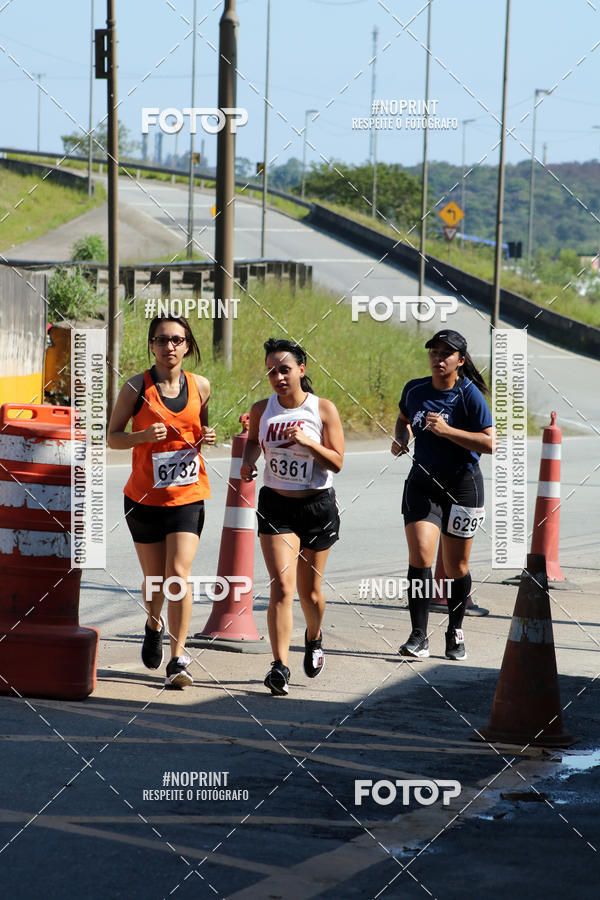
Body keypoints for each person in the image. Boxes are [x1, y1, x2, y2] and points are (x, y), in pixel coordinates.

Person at [107, 314, 215, 688]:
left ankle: (179, 657)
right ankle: (153, 624)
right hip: (143, 498)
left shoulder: (201, 386)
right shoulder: (135, 388)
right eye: (162, 339)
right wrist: (141, 437)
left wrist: (207, 438)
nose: (169, 346)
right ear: (151, 345)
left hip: (188, 496)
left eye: (177, 339)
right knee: (155, 581)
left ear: (187, 346)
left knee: (178, 577)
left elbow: (197, 429)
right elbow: (112, 437)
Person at [240, 338, 344, 696]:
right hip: (277, 506)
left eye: (284, 369)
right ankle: (279, 665)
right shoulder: (261, 408)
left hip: (317, 507)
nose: (278, 376)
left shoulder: (323, 409)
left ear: (301, 370)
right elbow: (254, 440)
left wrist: (309, 442)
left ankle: (314, 637)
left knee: (310, 592)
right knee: (282, 588)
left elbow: (338, 462)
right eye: (271, 371)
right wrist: (248, 461)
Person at [391, 329, 494, 661]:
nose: (438, 358)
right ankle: (418, 634)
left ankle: (455, 629)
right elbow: (403, 419)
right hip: (423, 485)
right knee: (421, 556)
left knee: (456, 565)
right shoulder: (415, 389)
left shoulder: (469, 395)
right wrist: (402, 437)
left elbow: (491, 443)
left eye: (446, 354)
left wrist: (449, 432)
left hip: (464, 486)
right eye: (434, 352)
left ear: (460, 361)